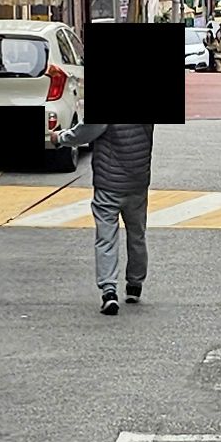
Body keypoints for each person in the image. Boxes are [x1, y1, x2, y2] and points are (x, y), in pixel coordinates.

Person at [89, 111, 155, 314]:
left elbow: (87, 131)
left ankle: (109, 292)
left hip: (108, 184)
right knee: (137, 234)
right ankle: (135, 285)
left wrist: (60, 138)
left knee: (106, 238)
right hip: (138, 183)